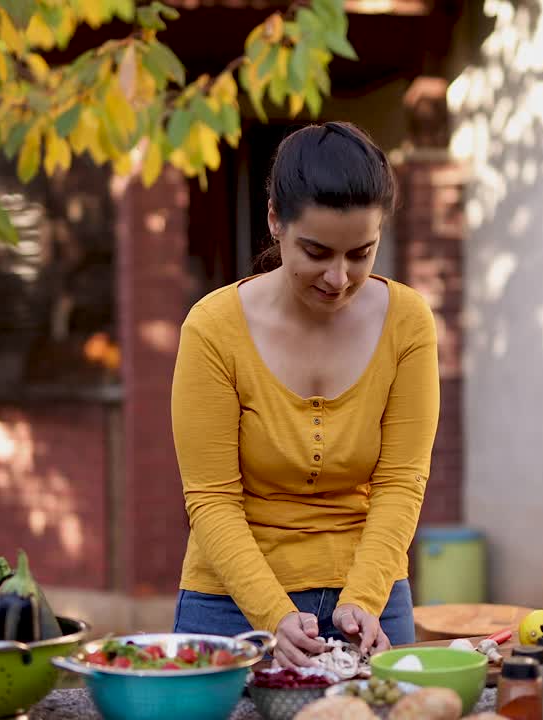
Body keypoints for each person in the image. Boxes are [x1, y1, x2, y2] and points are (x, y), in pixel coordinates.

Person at [169, 121, 441, 669]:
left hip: (372, 605)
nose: (339, 278)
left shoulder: (407, 322)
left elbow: (400, 482)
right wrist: (272, 613)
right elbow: (211, 499)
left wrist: (364, 598)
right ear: (275, 220)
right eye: (316, 252)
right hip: (227, 605)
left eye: (362, 253)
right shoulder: (213, 328)